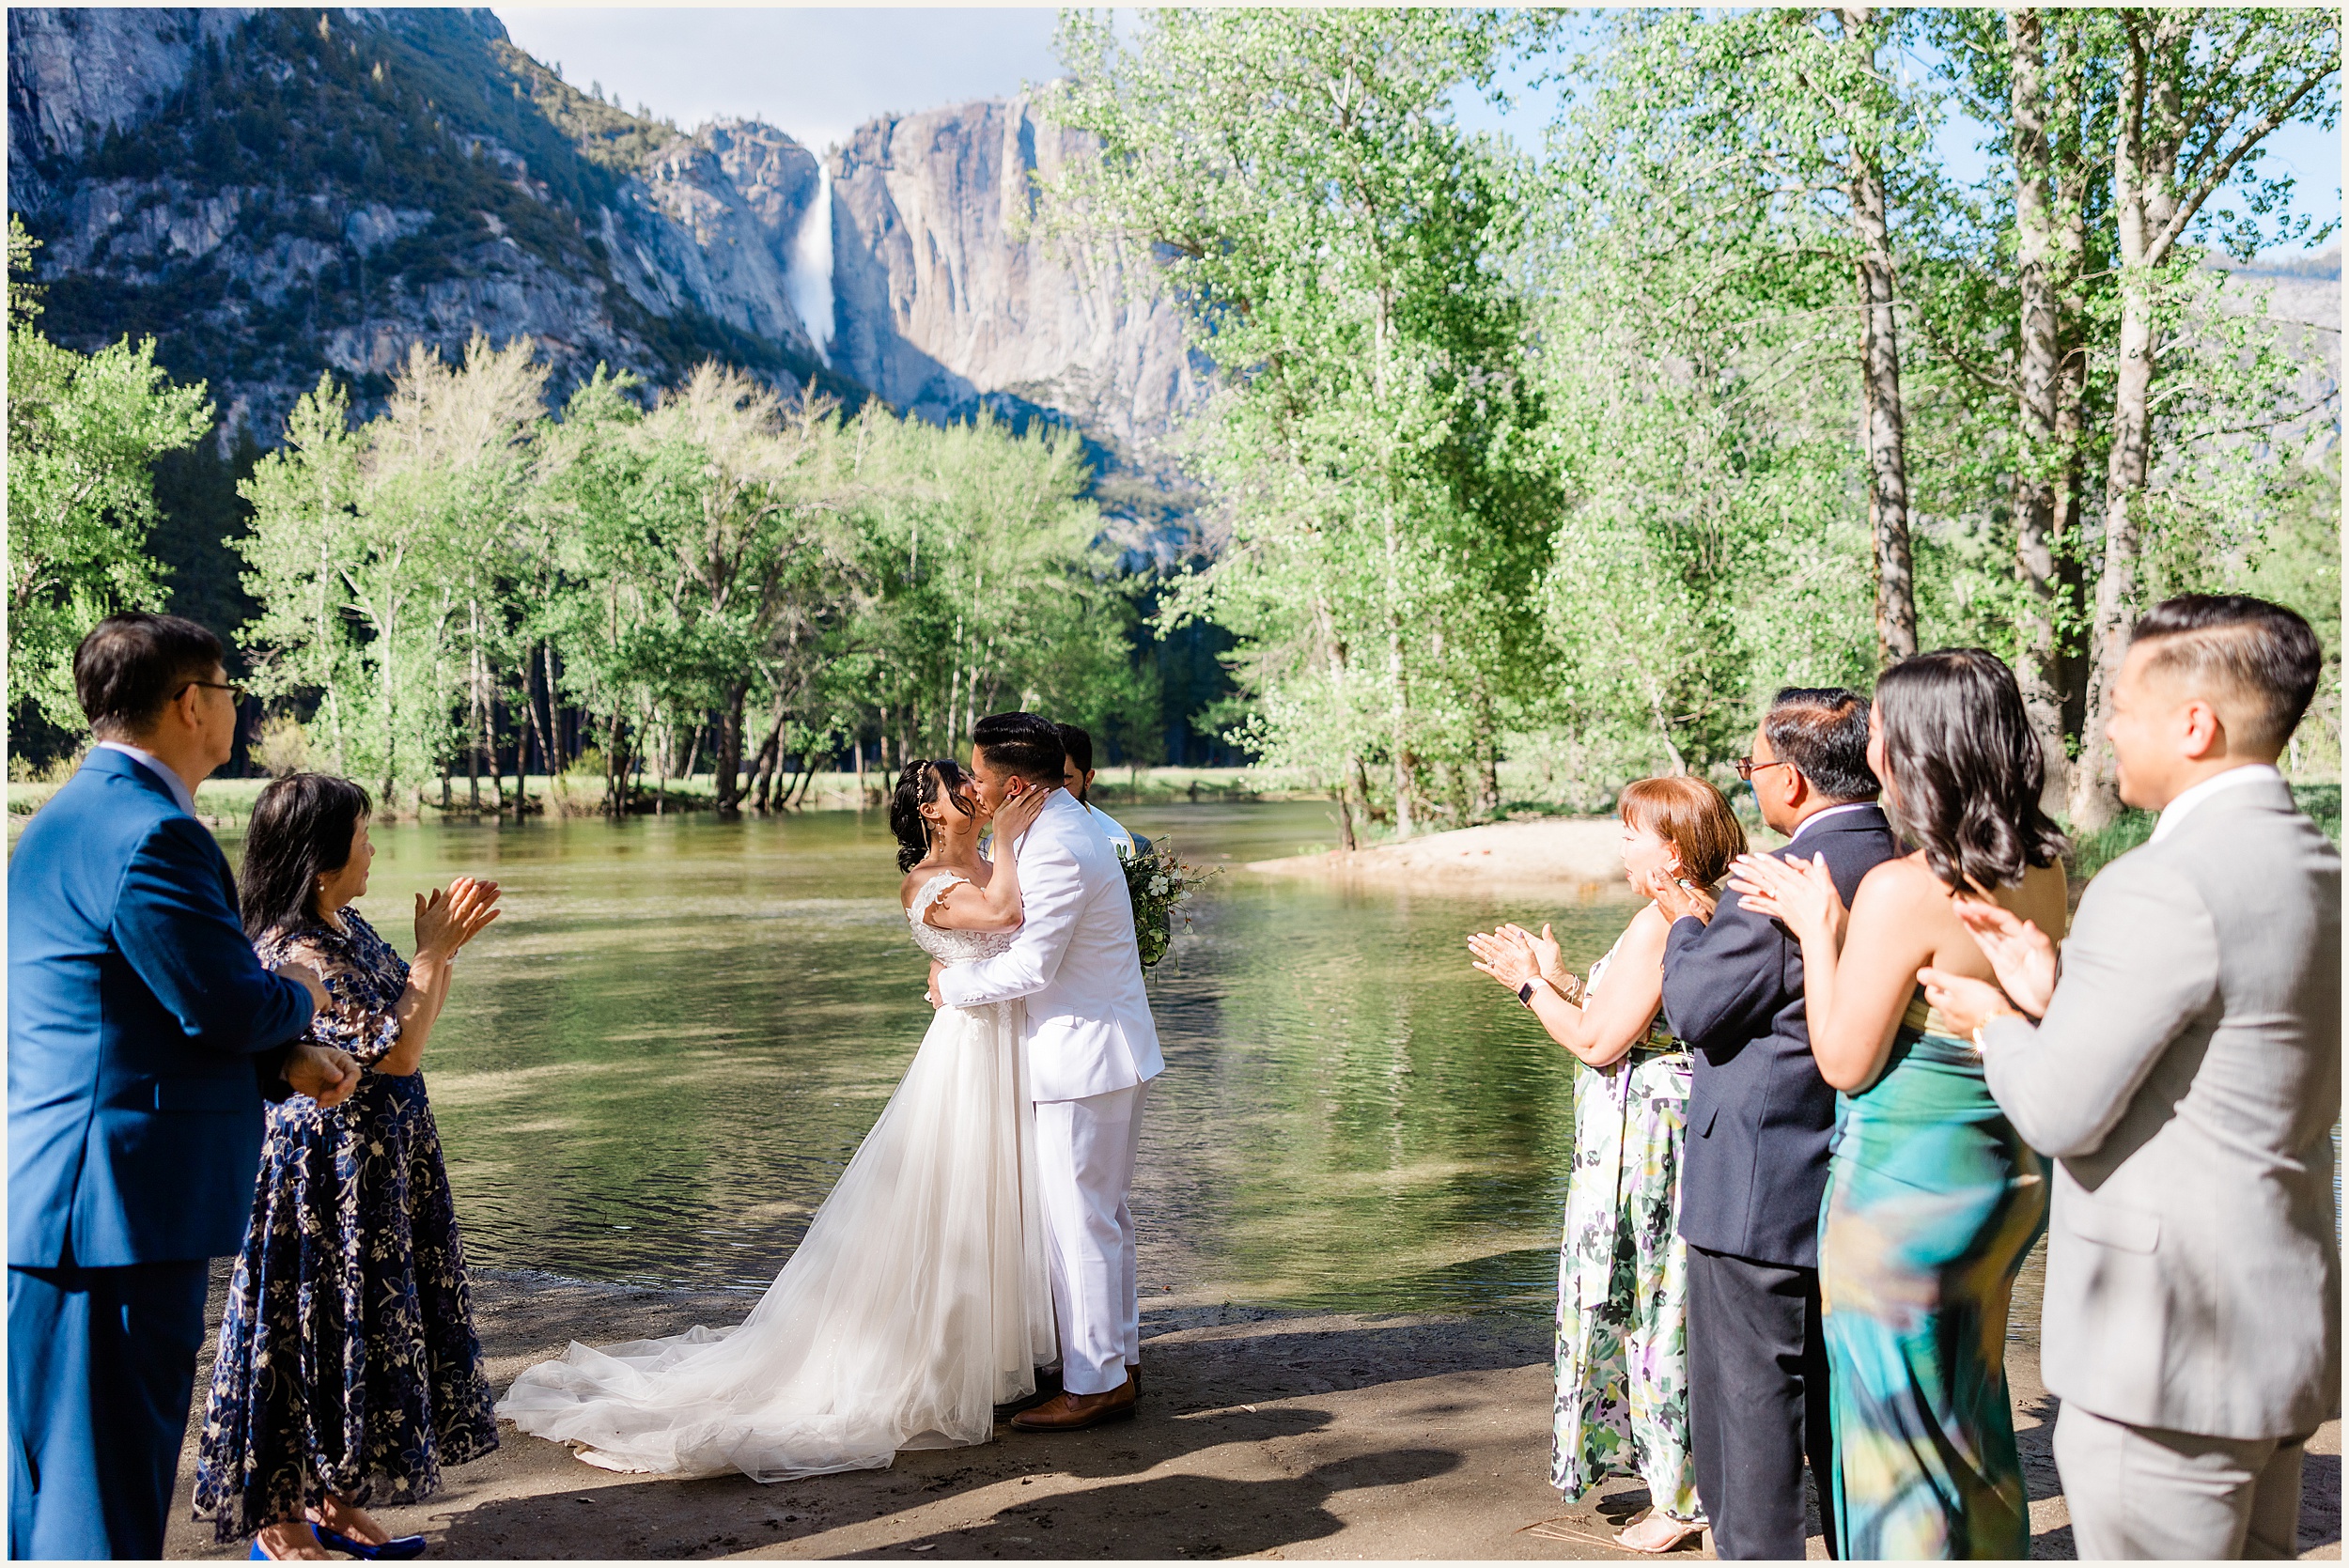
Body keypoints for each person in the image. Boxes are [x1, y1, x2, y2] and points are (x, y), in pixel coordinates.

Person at [1922, 595, 2341, 1560]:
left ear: (2195, 725)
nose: (2104, 726)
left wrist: (1995, 1023)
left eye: (2120, 704)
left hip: (2164, 1351)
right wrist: (2056, 990)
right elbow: (2227, 1056)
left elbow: (2059, 1109)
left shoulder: (2160, 881)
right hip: (2278, 1326)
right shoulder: (2315, 864)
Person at [499, 761, 1058, 1477]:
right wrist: (1009, 839)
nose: (975, 794)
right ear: (928, 809)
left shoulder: (993, 859)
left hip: (1016, 1043)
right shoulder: (925, 882)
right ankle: (944, 1362)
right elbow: (1006, 915)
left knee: (1005, 1196)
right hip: (969, 1055)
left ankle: (1004, 1355)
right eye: (958, 784)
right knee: (955, 1198)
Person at [8, 613, 362, 1560]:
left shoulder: (68, 819)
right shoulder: (153, 831)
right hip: (116, 1207)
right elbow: (217, 999)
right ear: (191, 702)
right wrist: (297, 1000)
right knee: (101, 1498)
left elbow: (130, 1012)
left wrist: (277, 1063)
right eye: (229, 687)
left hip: (69, 1200)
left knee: (50, 1489)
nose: (235, 705)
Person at [1731, 651, 2066, 1559]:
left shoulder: (1903, 888)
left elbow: (1843, 1057)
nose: (1869, 742)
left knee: (1894, 1438)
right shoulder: (2044, 864)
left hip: (1903, 1190)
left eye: (1880, 726)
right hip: (2003, 1172)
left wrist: (1819, 929)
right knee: (1970, 1404)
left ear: (1917, 745)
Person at [193, 775, 505, 1560]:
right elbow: (396, 1050)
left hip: (379, 1175)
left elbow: (413, 1017)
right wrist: (434, 951)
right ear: (320, 857)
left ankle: (333, 1502)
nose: (374, 846)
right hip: (321, 1182)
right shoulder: (292, 948)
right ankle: (282, 1525)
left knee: (353, 1340)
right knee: (304, 1337)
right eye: (363, 833)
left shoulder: (344, 922)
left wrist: (441, 954)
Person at [1650, 686, 1902, 1560]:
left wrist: (1687, 923)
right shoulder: (1902, 860)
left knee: (1751, 1403)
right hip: (1862, 1173)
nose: (1749, 782)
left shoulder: (1780, 882)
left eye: (1752, 767)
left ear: (1791, 781)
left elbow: (1692, 1008)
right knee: (1846, 1403)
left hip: (1758, 1183)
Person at [1466, 776, 1747, 1555]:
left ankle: (1682, 1498)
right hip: (1658, 1131)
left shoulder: (1666, 921)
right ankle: (1686, 1479)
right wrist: (1557, 978)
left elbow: (1598, 1041)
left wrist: (1525, 986)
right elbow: (1612, 1013)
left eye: (1632, 833)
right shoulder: (1699, 909)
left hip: (1647, 1146)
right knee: (1664, 1304)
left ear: (1675, 848)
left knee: (1652, 1308)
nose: (1620, 845)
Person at [931, 712, 1166, 1431]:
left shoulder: (1059, 844)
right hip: (1102, 1051)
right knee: (1106, 1216)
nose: (971, 784)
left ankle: (1095, 1383)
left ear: (1015, 784)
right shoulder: (1060, 829)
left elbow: (1035, 964)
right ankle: (1116, 1358)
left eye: (978, 774)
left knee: (1080, 1223)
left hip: (1083, 1057)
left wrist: (952, 986)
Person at [1055, 722, 1143, 857]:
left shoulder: (1135, 849)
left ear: (1088, 780)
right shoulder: (1013, 840)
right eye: (1044, 781)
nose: (1053, 793)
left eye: (1065, 781)